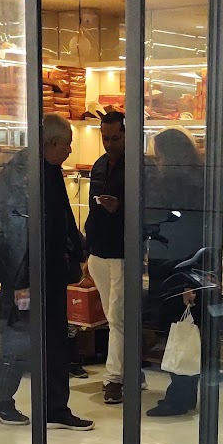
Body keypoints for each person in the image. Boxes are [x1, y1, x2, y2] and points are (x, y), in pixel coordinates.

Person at [0, 113, 93, 430]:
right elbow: (8, 230)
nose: (70, 151)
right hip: (25, 273)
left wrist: (79, 249)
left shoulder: (50, 169)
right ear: (52, 143)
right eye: (68, 145)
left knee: (56, 340)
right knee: (20, 338)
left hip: (52, 271)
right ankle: (1, 399)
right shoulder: (19, 173)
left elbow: (61, 216)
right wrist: (19, 279)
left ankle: (55, 408)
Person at [145, 128, 207, 418]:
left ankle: (179, 395)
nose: (157, 163)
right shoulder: (195, 182)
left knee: (178, 328)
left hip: (176, 265)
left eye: (159, 157)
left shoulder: (177, 186)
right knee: (182, 328)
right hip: (180, 263)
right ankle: (184, 392)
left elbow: (179, 229)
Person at [84, 109, 126, 405]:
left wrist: (119, 209)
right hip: (98, 250)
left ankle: (114, 378)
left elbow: (146, 209)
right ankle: (129, 370)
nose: (109, 143)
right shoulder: (99, 165)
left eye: (115, 138)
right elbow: (91, 209)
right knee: (114, 317)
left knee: (117, 317)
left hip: (123, 252)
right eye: (105, 137)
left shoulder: (137, 166)